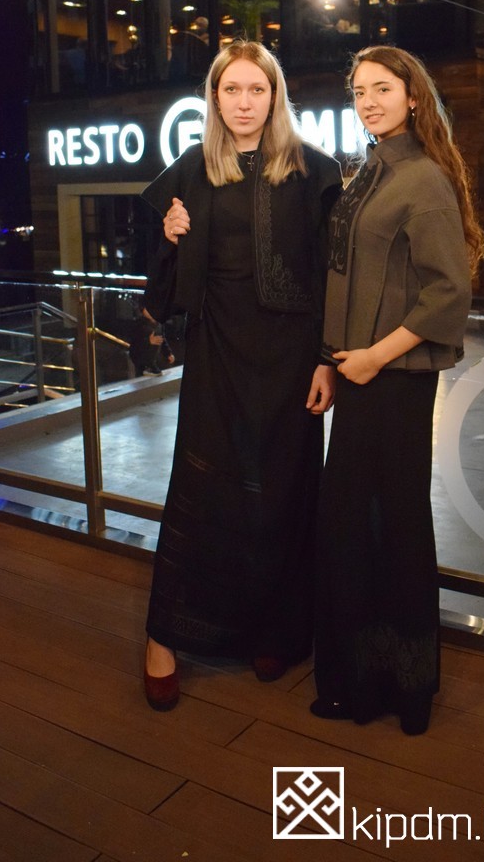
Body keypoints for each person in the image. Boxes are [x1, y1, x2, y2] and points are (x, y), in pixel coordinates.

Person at [141, 40, 342, 711]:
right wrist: (169, 235)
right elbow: (158, 265)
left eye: (257, 89)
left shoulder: (314, 170)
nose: (245, 102)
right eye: (232, 90)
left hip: (291, 361)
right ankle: (163, 638)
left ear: (275, 96)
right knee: (202, 490)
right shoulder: (193, 168)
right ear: (215, 98)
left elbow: (332, 275)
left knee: (282, 495)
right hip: (216, 354)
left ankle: (271, 629)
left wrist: (328, 358)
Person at [310, 44, 484, 736]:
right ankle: (361, 683)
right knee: (354, 529)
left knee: (397, 528)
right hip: (359, 377)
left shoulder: (423, 179)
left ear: (414, 96)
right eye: (359, 92)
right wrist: (330, 363)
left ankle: (406, 691)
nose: (369, 102)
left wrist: (373, 358)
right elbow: (343, 280)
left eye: (382, 88)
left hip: (395, 384)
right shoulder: (370, 174)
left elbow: (449, 292)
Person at [128, 304, 174, 377]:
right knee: (142, 377)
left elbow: (162, 339)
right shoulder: (139, 324)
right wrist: (148, 341)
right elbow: (134, 344)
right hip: (140, 359)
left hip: (153, 358)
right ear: (143, 311)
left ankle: (151, 366)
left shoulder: (159, 324)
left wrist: (168, 353)